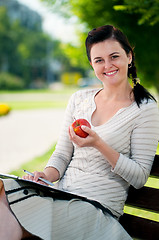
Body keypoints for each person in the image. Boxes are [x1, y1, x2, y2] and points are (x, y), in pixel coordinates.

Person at [0, 25, 159, 240]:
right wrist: (45, 176)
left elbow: (139, 177)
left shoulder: (145, 109)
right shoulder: (79, 99)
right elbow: (62, 154)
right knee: (3, 188)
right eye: (99, 60)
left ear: (129, 57)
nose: (108, 65)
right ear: (92, 64)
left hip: (95, 208)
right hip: (60, 195)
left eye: (114, 56)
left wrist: (98, 144)